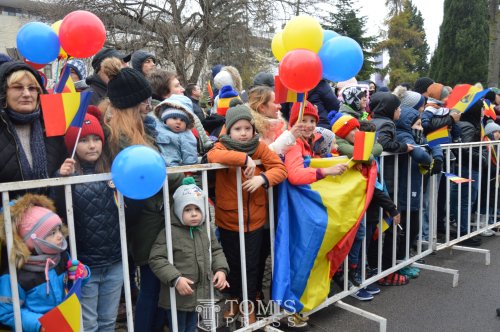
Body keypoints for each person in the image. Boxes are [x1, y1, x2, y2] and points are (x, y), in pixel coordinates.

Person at [100, 57, 184, 331]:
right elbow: (150, 175)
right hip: (143, 217)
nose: (148, 107)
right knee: (151, 285)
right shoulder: (121, 136)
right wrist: (182, 177)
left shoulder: (138, 130)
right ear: (133, 104)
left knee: (155, 283)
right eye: (144, 103)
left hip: (149, 215)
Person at [207, 103, 287, 324]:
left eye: (247, 128)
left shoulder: (259, 147)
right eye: (237, 129)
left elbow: (280, 168)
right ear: (229, 130)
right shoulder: (221, 146)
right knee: (232, 263)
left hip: (255, 222)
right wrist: (244, 159)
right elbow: (213, 156)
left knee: (251, 265)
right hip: (229, 220)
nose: (243, 133)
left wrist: (262, 178)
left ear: (253, 130)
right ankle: (234, 299)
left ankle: (248, 306)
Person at [57, 106, 123, 332]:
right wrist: (59, 179)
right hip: (84, 266)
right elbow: (57, 211)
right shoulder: (68, 176)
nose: (92, 145)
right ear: (73, 146)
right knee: (88, 325)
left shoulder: (113, 170)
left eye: (96, 139)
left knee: (108, 322)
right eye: (84, 140)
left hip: (114, 261)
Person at [149, 177, 229, 332]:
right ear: (178, 210)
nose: (193, 214)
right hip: (177, 296)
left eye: (197, 209)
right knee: (179, 327)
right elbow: (156, 258)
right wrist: (175, 278)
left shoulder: (205, 230)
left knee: (192, 326)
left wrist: (221, 270)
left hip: (198, 295)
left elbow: (216, 250)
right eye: (187, 209)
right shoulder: (170, 232)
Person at [0, 194, 89, 332]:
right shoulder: (14, 276)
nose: (60, 235)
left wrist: (82, 274)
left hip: (65, 325)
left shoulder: (61, 257)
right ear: (32, 240)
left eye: (59, 229)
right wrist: (39, 325)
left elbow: (71, 285)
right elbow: (7, 313)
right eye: (52, 233)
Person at [0, 61, 66, 202]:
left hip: (48, 218)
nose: (26, 94)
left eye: (32, 88)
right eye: (18, 87)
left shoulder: (52, 126)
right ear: (4, 92)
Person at [284, 102, 348, 186]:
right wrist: (327, 170)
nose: (309, 125)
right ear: (294, 123)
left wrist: (329, 160)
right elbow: (294, 175)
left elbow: (311, 160)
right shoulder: (293, 143)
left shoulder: (307, 140)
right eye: (303, 120)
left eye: (312, 121)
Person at [247, 85, 304, 155]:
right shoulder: (250, 128)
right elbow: (263, 155)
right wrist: (290, 136)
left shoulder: (281, 125)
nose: (280, 106)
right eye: (275, 102)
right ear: (262, 107)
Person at [153, 94, 198, 166]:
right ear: (165, 118)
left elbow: (190, 152)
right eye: (174, 118)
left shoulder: (186, 135)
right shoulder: (155, 127)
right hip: (155, 165)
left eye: (183, 120)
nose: (178, 122)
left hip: (174, 167)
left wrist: (190, 167)